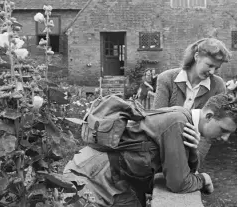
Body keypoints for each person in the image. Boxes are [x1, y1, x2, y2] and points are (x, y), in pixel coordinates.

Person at [63, 93, 236, 207]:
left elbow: (184, 172)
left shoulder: (182, 116)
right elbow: (179, 183)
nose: (225, 138)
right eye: (223, 130)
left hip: (105, 173)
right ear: (209, 116)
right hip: (92, 177)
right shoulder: (178, 122)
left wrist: (192, 150)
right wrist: (204, 179)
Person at [153, 38, 231, 161]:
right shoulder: (166, 79)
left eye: (216, 68)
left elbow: (209, 130)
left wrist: (195, 161)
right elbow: (157, 121)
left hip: (193, 151)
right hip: (162, 149)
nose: (212, 71)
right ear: (196, 56)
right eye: (210, 65)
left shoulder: (218, 86)